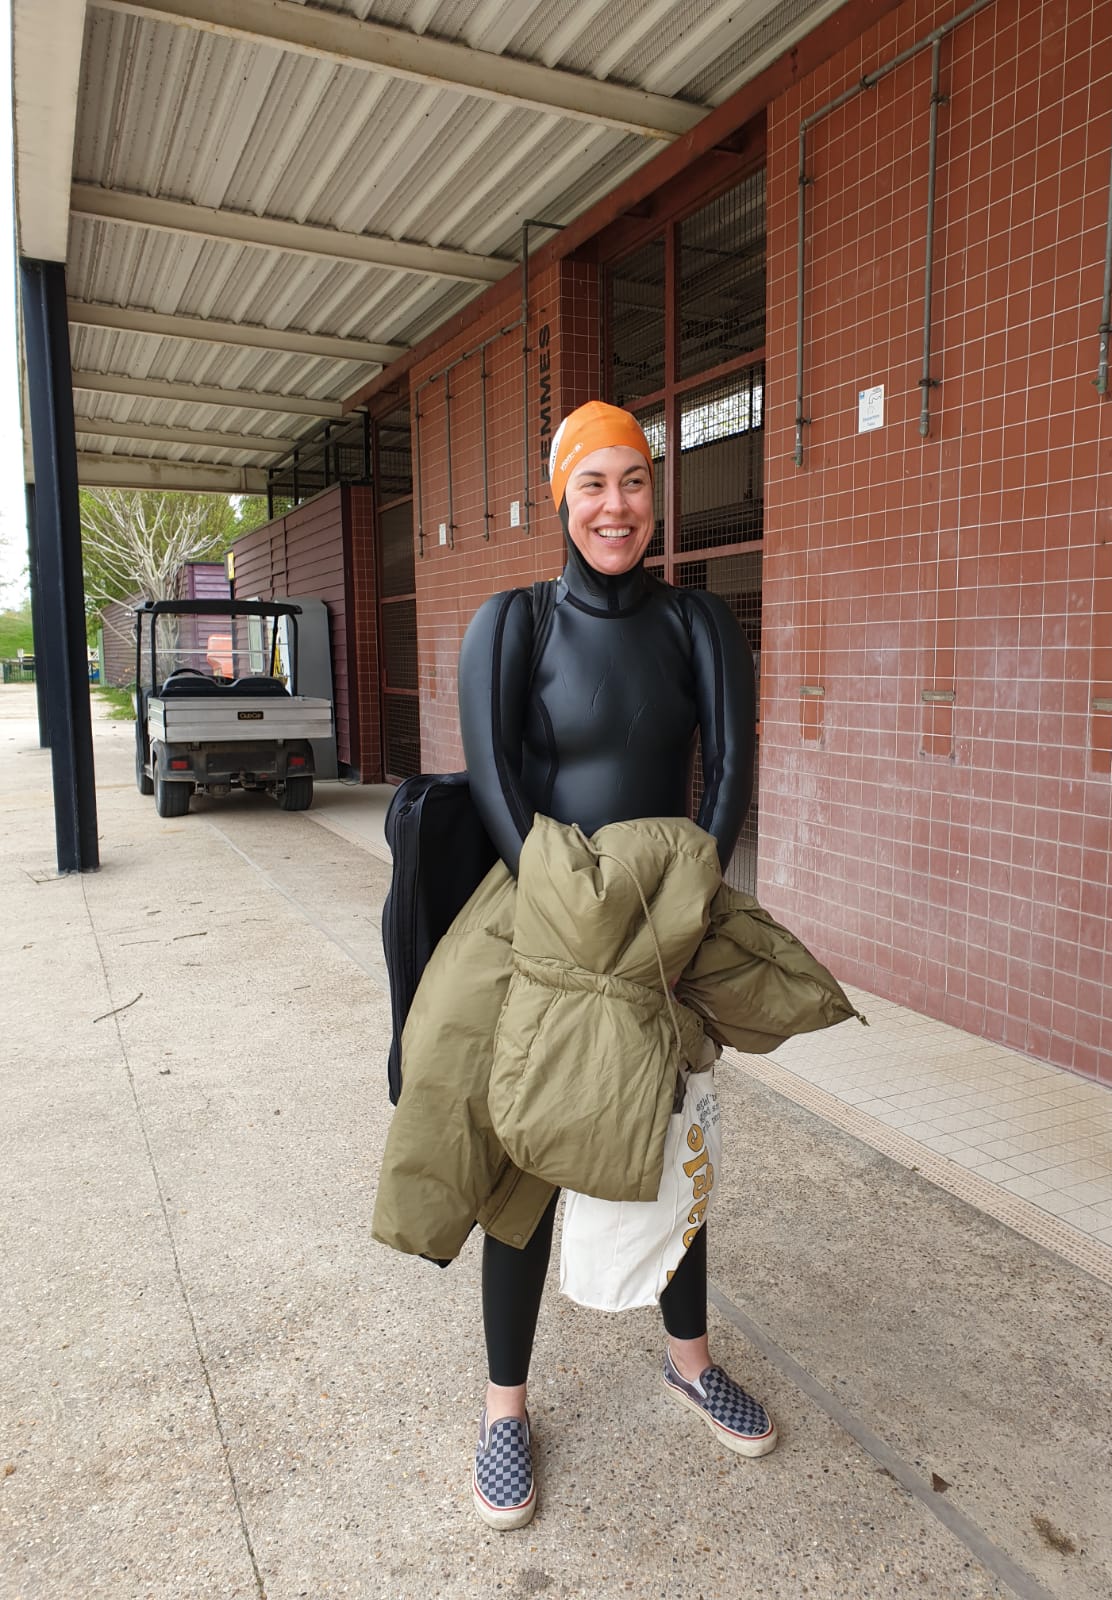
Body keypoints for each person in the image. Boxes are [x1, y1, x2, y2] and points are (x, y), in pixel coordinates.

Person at [455, 401, 775, 1531]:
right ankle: (504, 1410)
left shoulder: (698, 625)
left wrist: (685, 917)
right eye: (593, 484)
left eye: (634, 482)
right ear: (561, 499)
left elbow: (729, 773)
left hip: (666, 933)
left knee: (672, 1154)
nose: (616, 506)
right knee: (528, 1163)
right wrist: (563, 911)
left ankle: (688, 1358)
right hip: (546, 926)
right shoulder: (513, 624)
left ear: (656, 495)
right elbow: (495, 779)